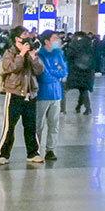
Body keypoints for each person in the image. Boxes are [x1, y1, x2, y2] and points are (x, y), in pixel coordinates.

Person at [0, 26, 46, 165]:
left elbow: (39, 70)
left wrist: (33, 57)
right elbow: (11, 68)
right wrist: (21, 54)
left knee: (30, 125)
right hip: (14, 92)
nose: (28, 37)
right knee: (9, 126)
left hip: (30, 93)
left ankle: (33, 153)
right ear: (17, 38)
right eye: (25, 35)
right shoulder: (10, 52)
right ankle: (3, 154)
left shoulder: (31, 51)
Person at [35, 31, 67, 161]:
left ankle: (50, 149)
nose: (57, 41)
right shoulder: (39, 55)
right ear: (46, 41)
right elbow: (44, 76)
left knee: (54, 124)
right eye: (54, 38)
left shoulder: (58, 54)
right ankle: (35, 150)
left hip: (56, 94)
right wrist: (56, 73)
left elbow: (64, 71)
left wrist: (53, 72)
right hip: (42, 94)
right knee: (38, 124)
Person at [63, 32, 95, 114]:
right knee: (83, 90)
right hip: (87, 72)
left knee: (65, 89)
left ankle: (62, 109)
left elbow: (69, 55)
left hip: (75, 71)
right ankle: (86, 108)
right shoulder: (90, 44)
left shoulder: (74, 44)